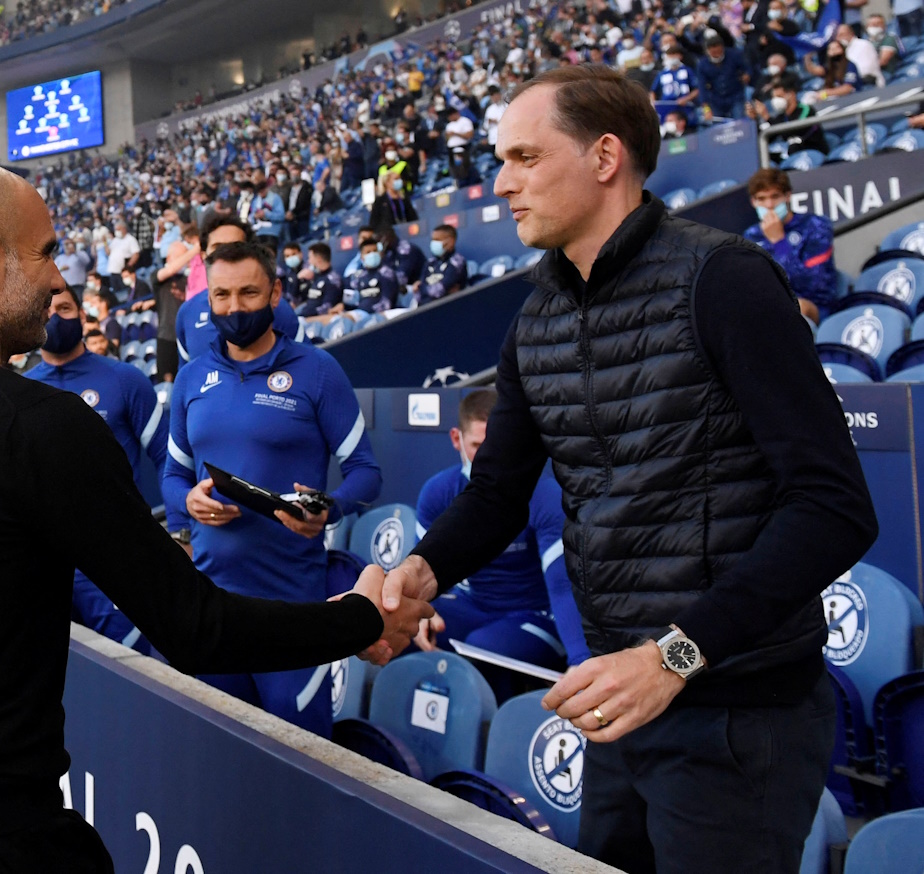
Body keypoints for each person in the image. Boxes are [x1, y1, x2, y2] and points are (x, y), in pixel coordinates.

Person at [0, 162, 428, 871]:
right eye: (48, 250)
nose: (60, 280)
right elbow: (195, 627)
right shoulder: (37, 425)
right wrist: (361, 618)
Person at [370, 65, 877, 874]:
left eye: (525, 158)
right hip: (616, 702)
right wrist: (414, 575)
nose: (501, 184)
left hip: (736, 715)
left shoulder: (726, 279)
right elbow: (497, 495)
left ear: (605, 156)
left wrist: (671, 657)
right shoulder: (535, 315)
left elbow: (835, 508)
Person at [163, 240, 383, 738]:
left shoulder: (318, 372)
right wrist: (187, 502)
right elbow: (173, 478)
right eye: (221, 296)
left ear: (276, 292)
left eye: (248, 293)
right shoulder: (193, 378)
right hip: (214, 606)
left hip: (295, 610)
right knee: (223, 761)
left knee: (301, 763)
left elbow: (366, 472)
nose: (234, 308)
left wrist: (330, 508)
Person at [413, 389, 589, 701]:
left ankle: (496, 738)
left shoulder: (545, 496)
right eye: (476, 446)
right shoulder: (438, 491)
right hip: (476, 607)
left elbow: (563, 586)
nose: (486, 458)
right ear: (457, 440)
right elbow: (420, 571)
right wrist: (419, 611)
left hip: (536, 615)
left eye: (494, 446)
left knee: (484, 648)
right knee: (403, 628)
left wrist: (580, 660)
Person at [25, 284, 167, 651]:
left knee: (139, 670)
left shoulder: (124, 379)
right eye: (48, 308)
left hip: (116, 558)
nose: (56, 316)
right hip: (45, 565)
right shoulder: (19, 389)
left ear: (83, 317)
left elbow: (168, 458)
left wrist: (180, 535)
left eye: (66, 309)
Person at [174, 215, 302, 364]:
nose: (227, 255)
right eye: (218, 248)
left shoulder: (277, 308)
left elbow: (306, 367)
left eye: (236, 247)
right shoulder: (187, 313)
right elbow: (187, 379)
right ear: (203, 256)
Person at [743, 168, 836, 320]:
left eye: (775, 196)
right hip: (770, 307)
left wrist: (779, 242)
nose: (769, 205)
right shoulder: (751, 236)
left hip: (815, 307)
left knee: (796, 307)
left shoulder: (815, 226)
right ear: (753, 202)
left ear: (787, 196)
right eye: (762, 199)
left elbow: (813, 285)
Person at [748, 79, 830, 155]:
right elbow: (767, 138)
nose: (775, 100)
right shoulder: (781, 117)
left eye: (779, 96)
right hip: (795, 154)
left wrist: (767, 117)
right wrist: (755, 120)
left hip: (814, 152)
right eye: (773, 97)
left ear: (791, 94)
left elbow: (793, 130)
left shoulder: (806, 110)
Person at [696, 34, 750, 120]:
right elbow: (702, 86)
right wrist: (706, 108)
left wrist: (747, 75)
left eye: (718, 51)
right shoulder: (702, 64)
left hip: (735, 96)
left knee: (739, 121)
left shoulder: (734, 55)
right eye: (713, 53)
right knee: (717, 126)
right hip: (716, 99)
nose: (716, 55)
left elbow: (747, 68)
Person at [342, 236, 400, 313]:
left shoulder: (387, 273)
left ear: (380, 253)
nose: (372, 254)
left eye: (375, 251)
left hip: (379, 315)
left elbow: (387, 302)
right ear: (361, 257)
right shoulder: (356, 277)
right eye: (368, 252)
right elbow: (344, 296)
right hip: (359, 314)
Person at [415, 224, 468, 305]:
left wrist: (420, 288)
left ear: (451, 242)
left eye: (437, 240)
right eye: (432, 240)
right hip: (425, 308)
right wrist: (421, 288)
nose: (433, 243)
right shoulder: (430, 262)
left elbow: (439, 291)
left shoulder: (457, 262)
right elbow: (418, 294)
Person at [296, 242, 344, 317]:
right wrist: (298, 279)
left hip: (316, 319)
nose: (308, 261)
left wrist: (302, 315)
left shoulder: (333, 280)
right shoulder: (315, 276)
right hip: (305, 314)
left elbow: (326, 308)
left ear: (318, 259)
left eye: (310, 258)